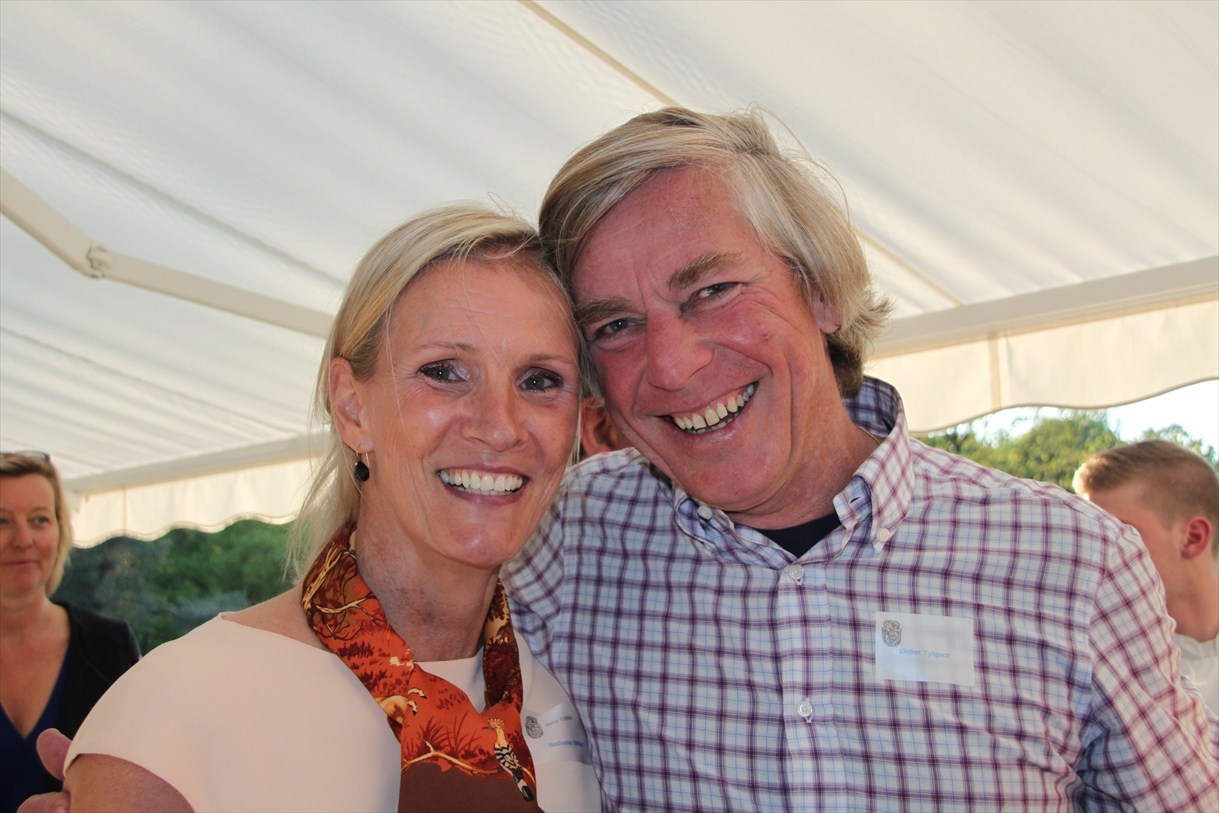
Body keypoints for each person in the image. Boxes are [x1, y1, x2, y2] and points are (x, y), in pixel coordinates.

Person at [503, 106, 1219, 811]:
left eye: (712, 291)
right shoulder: (556, 540)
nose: (670, 364)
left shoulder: (1074, 560)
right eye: (616, 325)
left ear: (818, 289)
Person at [56, 206, 601, 812]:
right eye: (444, 372)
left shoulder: (564, 698)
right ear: (351, 407)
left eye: (540, 380)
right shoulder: (174, 716)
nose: (499, 427)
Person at [0, 452, 140, 813]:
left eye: (39, 519)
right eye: (1, 521)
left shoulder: (110, 646)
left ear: (60, 531)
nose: (23, 539)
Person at [1074, 440, 1219, 708]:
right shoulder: (1089, 666)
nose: (1094, 552)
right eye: (1091, 536)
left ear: (1193, 538)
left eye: (1120, 534)